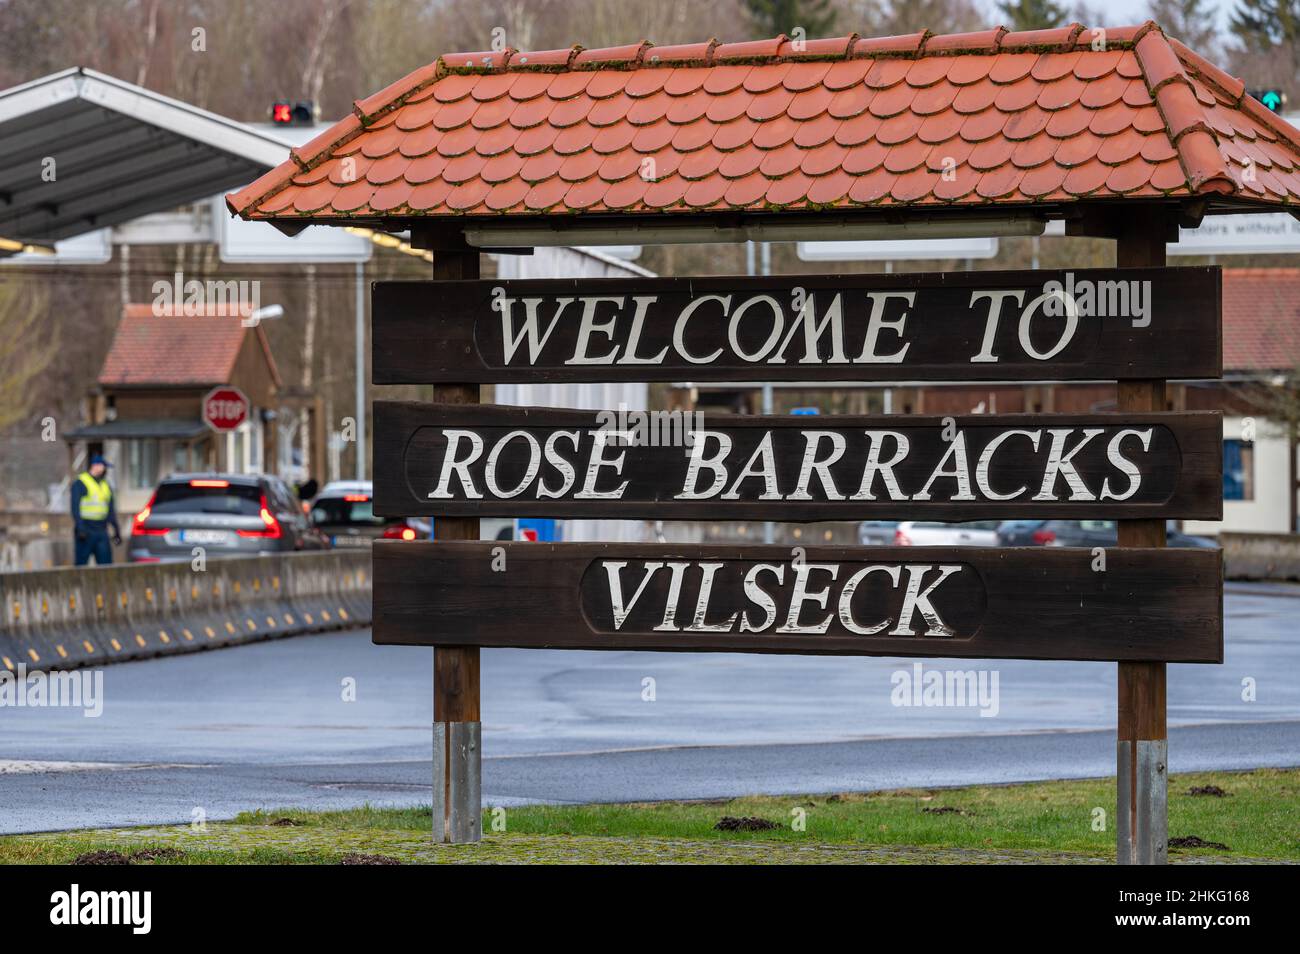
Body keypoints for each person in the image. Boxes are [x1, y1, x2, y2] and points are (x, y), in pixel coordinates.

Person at [70, 455, 120, 566]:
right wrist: (80, 528)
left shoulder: (105, 485)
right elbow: (75, 508)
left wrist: (116, 530)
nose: (105, 470)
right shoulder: (81, 482)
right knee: (81, 565)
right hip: (86, 530)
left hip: (102, 530)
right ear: (95, 466)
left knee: (106, 566)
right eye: (103, 466)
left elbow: (110, 510)